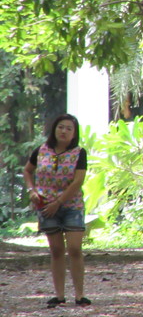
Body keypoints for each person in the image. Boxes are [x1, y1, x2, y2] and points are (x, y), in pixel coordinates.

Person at [23, 113, 91, 308]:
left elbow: (78, 181)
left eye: (69, 128)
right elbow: (27, 170)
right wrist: (31, 190)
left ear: (74, 134)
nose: (64, 131)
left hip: (72, 206)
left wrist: (59, 202)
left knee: (75, 248)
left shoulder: (79, 153)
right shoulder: (41, 150)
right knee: (56, 250)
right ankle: (59, 295)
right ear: (54, 129)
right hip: (46, 206)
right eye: (61, 127)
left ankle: (80, 295)